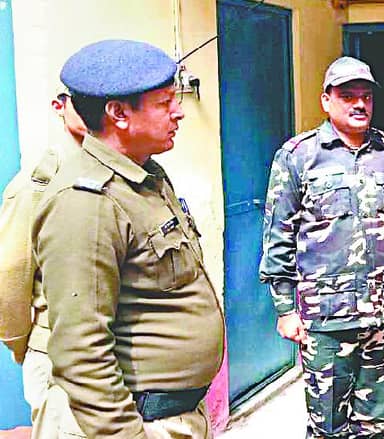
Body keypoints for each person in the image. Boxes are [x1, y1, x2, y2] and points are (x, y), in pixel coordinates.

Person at [31, 39, 223, 438]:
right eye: (165, 103)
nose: (179, 112)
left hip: (173, 415)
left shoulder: (144, 178)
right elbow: (82, 353)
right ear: (118, 113)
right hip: (134, 422)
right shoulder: (87, 202)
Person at [259, 56, 384, 439]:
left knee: (376, 422)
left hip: (383, 315)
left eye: (366, 96)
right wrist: (285, 309)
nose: (359, 104)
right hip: (325, 320)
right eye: (348, 96)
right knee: (327, 426)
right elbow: (278, 236)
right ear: (326, 100)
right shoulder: (298, 156)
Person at [0, 85, 87, 417]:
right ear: (58, 106)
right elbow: (10, 275)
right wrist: (26, 345)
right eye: (81, 102)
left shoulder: (128, 174)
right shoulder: (37, 183)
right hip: (56, 355)